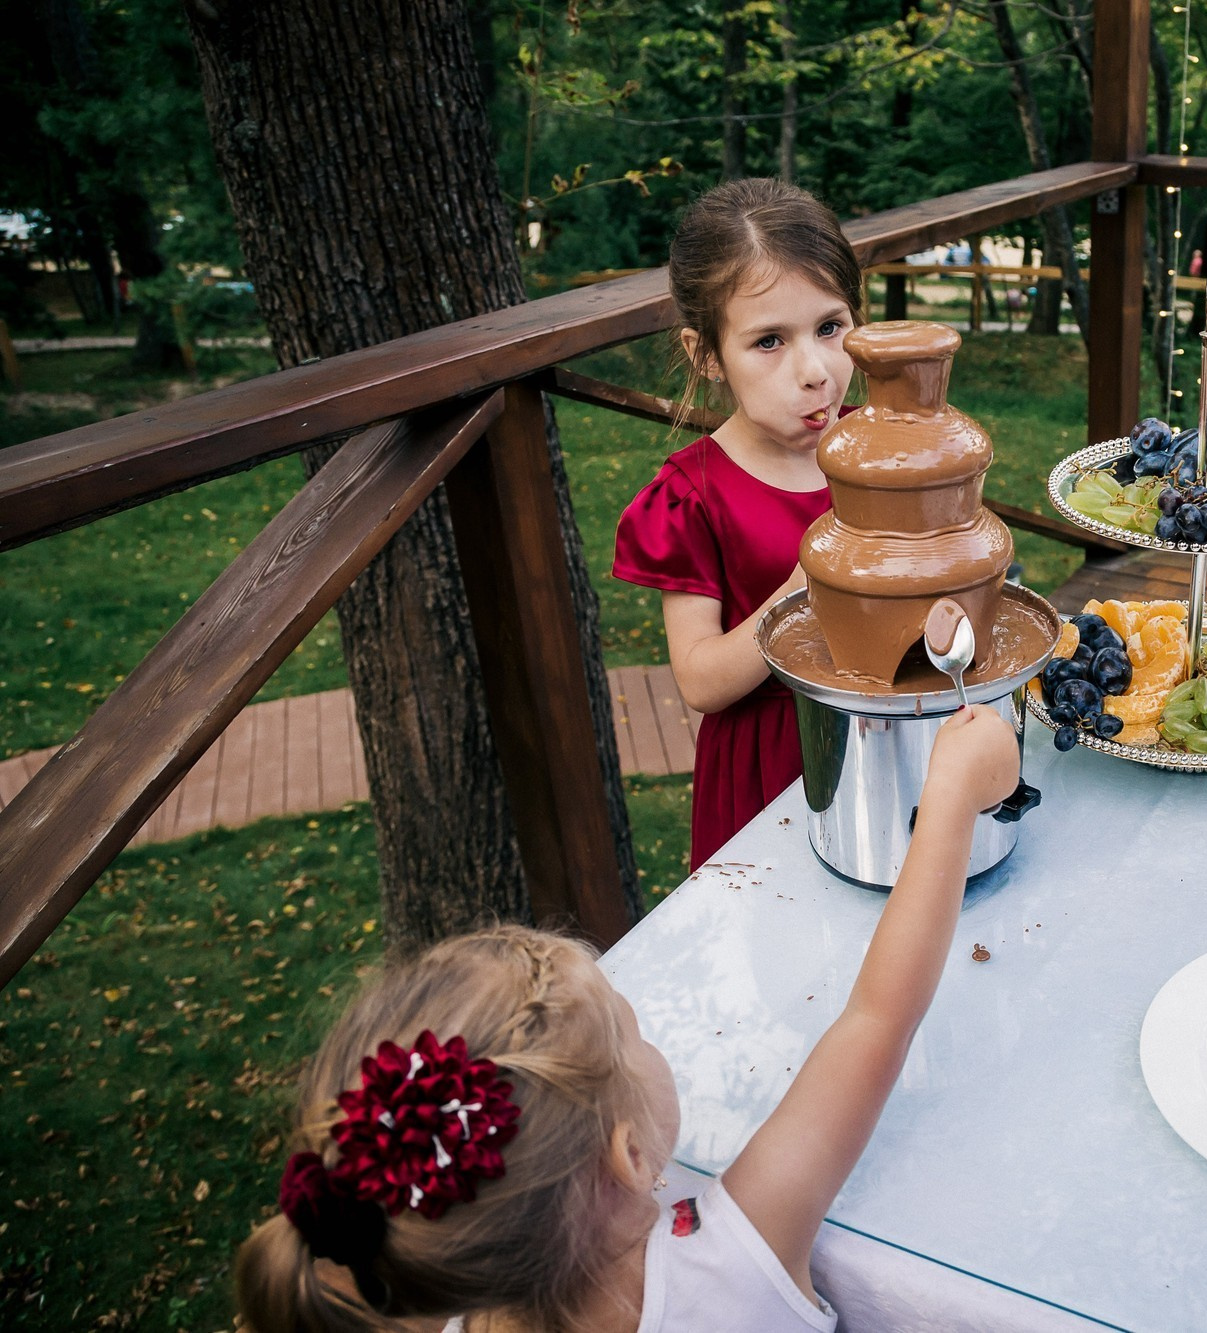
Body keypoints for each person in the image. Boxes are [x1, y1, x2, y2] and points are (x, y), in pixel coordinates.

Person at [234, 705, 1023, 1333]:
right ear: (628, 1153)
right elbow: (877, 1020)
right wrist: (950, 794)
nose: (651, 1038)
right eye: (634, 1028)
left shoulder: (450, 1289)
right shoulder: (732, 1270)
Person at [611, 178, 858, 868]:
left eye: (830, 327)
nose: (816, 371)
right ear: (707, 355)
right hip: (770, 768)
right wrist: (804, 583)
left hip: (883, 732)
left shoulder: (875, 452)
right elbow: (700, 679)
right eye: (769, 341)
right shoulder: (692, 495)